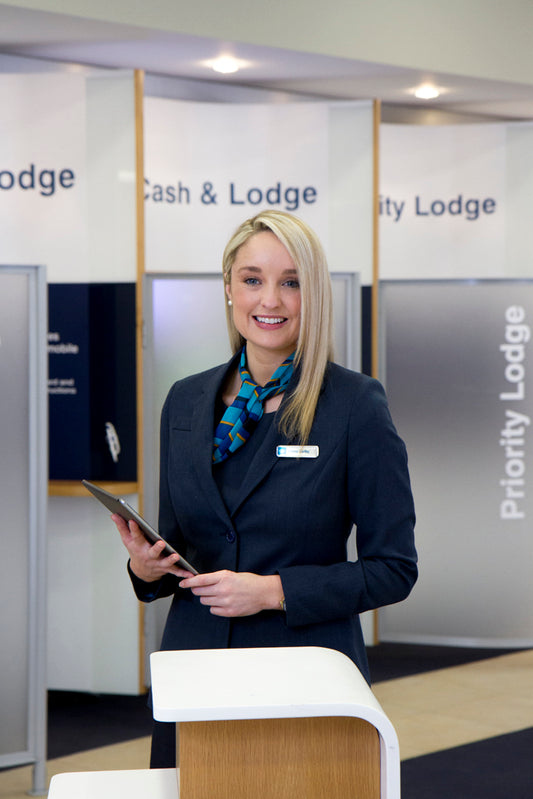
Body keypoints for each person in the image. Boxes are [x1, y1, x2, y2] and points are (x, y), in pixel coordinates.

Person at [113, 210, 417, 768]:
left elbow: (394, 568)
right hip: (196, 667)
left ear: (314, 294)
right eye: (252, 279)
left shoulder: (353, 405)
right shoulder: (185, 401)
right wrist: (147, 569)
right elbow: (180, 543)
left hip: (305, 670)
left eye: (291, 282)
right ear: (229, 287)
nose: (269, 300)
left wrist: (273, 591)